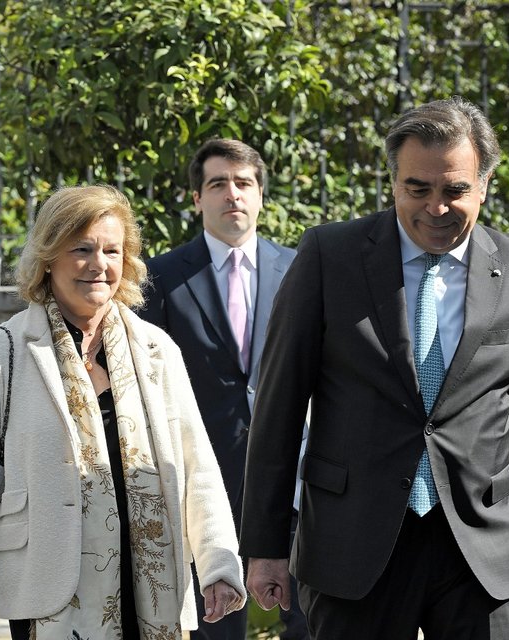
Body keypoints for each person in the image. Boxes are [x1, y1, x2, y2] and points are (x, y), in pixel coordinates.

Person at [240, 96, 509, 639]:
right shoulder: (329, 257)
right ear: (394, 183)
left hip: (482, 552)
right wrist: (265, 547)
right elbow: (278, 410)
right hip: (353, 546)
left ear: (484, 185)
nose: (437, 207)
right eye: (418, 189)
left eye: (455, 190)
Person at [0, 184, 245, 640]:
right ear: (48, 257)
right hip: (48, 588)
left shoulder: (156, 349)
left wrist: (219, 563)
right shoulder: (4, 348)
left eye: (111, 250)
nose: (99, 264)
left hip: (153, 587)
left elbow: (198, 467)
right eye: (81, 249)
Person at [140, 138, 307, 640]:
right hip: (204, 479)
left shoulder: (302, 269)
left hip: (294, 475)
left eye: (243, 183)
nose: (232, 194)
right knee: (215, 623)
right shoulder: (161, 277)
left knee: (310, 620)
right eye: (217, 184)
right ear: (197, 198)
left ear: (260, 195)